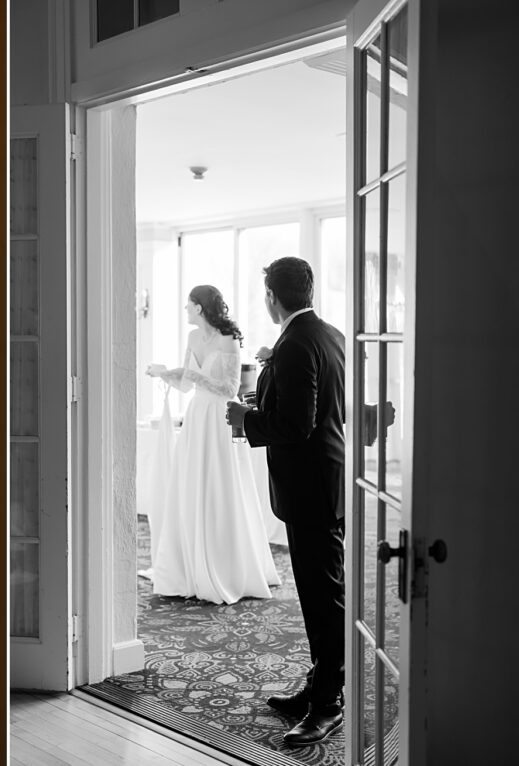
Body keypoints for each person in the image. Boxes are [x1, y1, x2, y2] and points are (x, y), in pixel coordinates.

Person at [226, 257, 346, 747]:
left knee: (324, 598)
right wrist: (261, 404)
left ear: (272, 297)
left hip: (311, 489)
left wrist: (245, 420)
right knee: (320, 594)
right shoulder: (329, 334)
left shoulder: (295, 344)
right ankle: (318, 688)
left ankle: (328, 705)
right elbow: (314, 412)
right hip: (324, 481)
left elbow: (297, 426)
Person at [146, 285, 280, 604]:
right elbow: (182, 385)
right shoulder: (193, 339)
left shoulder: (228, 340)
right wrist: (164, 374)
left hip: (220, 418)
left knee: (221, 485)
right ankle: (190, 563)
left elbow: (230, 387)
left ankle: (227, 565)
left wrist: (194, 378)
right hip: (196, 419)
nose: (185, 310)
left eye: (188, 305)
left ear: (200, 308)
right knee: (193, 485)